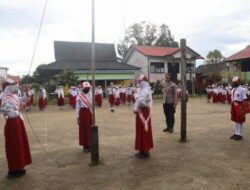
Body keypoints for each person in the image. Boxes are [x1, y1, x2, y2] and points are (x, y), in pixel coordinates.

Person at [0, 78, 32, 178]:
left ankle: (19, 167)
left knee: (19, 144)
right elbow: (12, 114)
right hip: (13, 123)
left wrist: (27, 93)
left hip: (17, 122)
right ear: (8, 87)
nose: (15, 87)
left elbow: (23, 100)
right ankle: (13, 169)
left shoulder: (13, 96)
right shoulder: (6, 98)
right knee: (14, 145)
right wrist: (20, 108)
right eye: (13, 86)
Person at [134, 75, 153, 159]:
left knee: (144, 130)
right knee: (139, 130)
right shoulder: (140, 90)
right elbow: (137, 102)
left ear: (144, 82)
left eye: (140, 81)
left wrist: (136, 96)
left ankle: (146, 151)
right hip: (139, 112)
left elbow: (141, 102)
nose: (139, 83)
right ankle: (141, 150)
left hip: (144, 112)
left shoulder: (146, 90)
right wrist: (135, 108)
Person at [76, 82, 92, 152]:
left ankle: (90, 144)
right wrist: (77, 118)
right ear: (83, 88)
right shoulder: (79, 95)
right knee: (84, 130)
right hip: (82, 113)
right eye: (86, 88)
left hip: (89, 112)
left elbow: (92, 105)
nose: (87, 89)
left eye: (88, 88)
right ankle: (85, 146)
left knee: (90, 128)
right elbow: (77, 107)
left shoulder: (90, 94)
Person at [230, 76, 247, 140]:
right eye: (233, 82)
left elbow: (244, 100)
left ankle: (240, 134)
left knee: (239, 120)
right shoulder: (233, 89)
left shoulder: (242, 89)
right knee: (235, 120)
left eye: (235, 82)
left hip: (240, 106)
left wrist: (243, 109)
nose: (234, 83)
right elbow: (232, 98)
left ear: (239, 82)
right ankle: (236, 133)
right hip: (234, 105)